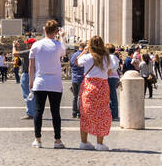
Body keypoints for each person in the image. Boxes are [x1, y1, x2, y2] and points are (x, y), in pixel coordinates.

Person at [28, 20, 66, 148]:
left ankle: (37, 139)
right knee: (56, 112)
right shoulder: (59, 45)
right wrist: (62, 37)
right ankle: (57, 140)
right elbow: (64, 52)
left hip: (40, 82)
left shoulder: (36, 45)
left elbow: (31, 66)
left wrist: (31, 81)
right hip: (55, 82)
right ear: (56, 31)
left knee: (38, 111)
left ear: (44, 30)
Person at [75, 35, 118, 150]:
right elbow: (111, 69)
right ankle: (100, 143)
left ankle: (83, 142)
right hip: (102, 86)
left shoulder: (87, 57)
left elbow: (76, 62)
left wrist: (84, 51)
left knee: (85, 114)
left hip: (88, 87)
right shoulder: (107, 58)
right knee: (102, 114)